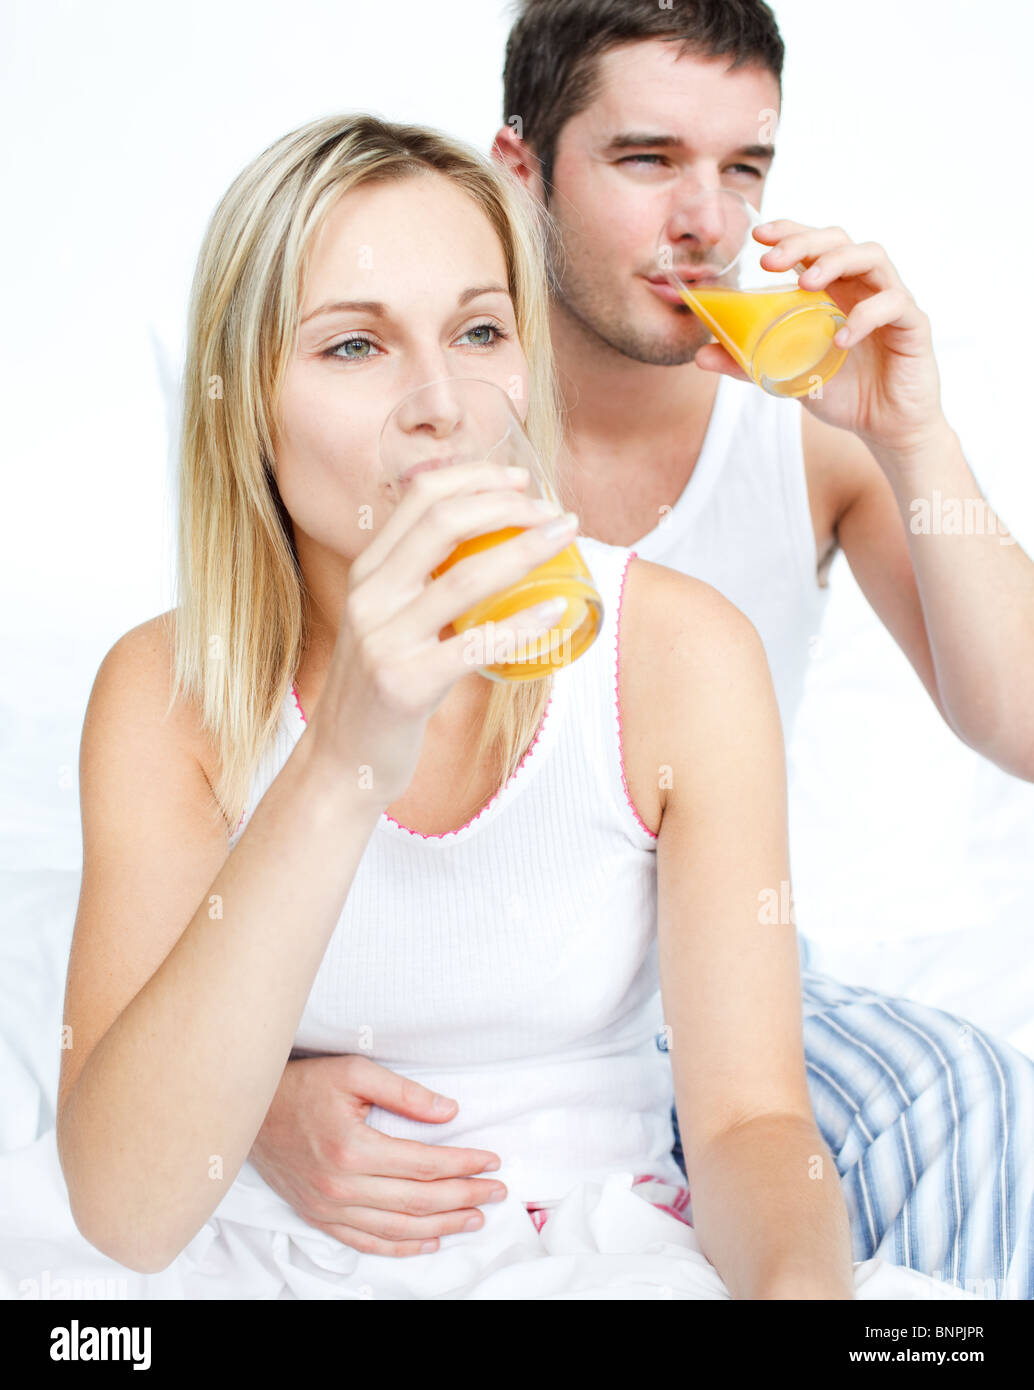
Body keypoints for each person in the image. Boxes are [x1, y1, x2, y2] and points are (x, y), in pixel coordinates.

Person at [51, 108, 969, 1301]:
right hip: (265, 1258)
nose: (437, 404)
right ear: (243, 405)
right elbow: (125, 1211)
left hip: (598, 1251)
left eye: (480, 330)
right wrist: (338, 765)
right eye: (352, 348)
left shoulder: (677, 653)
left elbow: (746, 1120)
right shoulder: (165, 691)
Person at [243, 2, 1034, 1300]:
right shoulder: (402, 422)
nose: (705, 221)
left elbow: (1018, 724)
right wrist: (263, 1086)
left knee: (970, 1102)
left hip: (712, 982)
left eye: (742, 169)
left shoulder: (805, 433)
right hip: (464, 994)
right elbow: (246, 747)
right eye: (646, 159)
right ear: (519, 170)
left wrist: (914, 435)